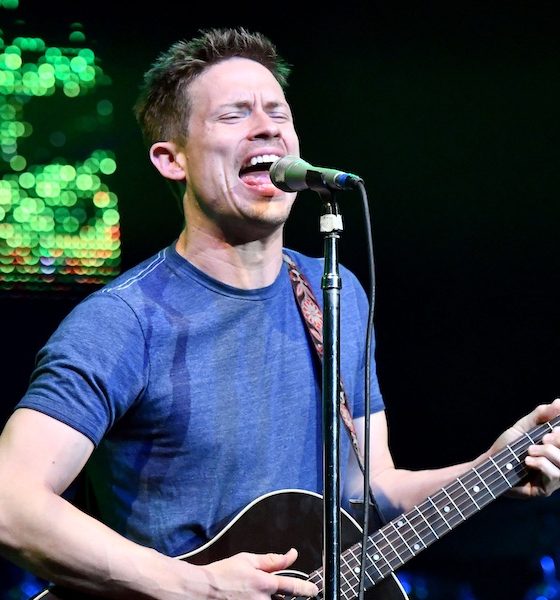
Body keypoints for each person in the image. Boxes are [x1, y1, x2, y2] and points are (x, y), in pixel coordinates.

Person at [0, 26, 558, 600]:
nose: (268, 127)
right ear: (172, 160)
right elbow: (9, 504)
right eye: (234, 115)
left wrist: (492, 470)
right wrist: (196, 587)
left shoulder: (333, 292)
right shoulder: (125, 321)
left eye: (277, 113)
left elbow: (374, 490)